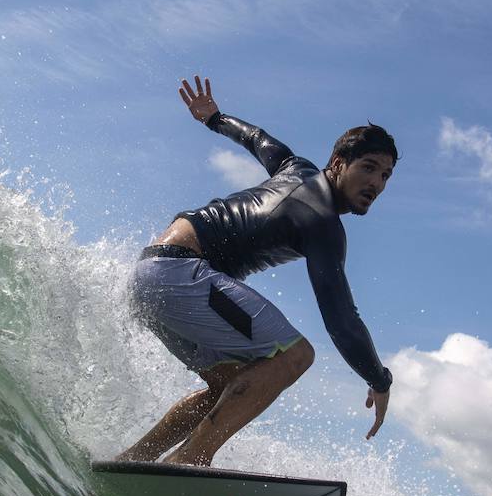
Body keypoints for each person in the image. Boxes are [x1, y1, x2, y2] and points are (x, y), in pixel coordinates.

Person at [117, 75, 397, 466]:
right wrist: (378, 379)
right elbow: (341, 319)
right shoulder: (324, 224)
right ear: (338, 163)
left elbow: (258, 139)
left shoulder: (295, 168)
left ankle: (133, 461)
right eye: (368, 168)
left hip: (151, 276)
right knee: (295, 356)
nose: (376, 183)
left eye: (385, 175)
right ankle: (190, 460)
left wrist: (215, 118)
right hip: (180, 274)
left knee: (229, 385)